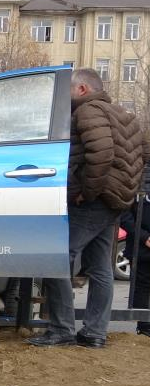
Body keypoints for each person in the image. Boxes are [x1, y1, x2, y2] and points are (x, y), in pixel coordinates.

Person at [28, 68, 147, 349]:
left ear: (82, 89)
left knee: (55, 258)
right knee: (100, 268)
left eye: (69, 89)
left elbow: (101, 153)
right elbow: (142, 156)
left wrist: (86, 192)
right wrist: (122, 193)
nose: (65, 96)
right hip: (114, 201)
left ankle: (61, 329)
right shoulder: (123, 114)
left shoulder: (88, 112)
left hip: (94, 200)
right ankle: (94, 333)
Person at [120, 193, 150, 337]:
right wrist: (144, 236)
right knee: (141, 286)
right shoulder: (137, 181)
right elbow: (124, 215)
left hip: (140, 244)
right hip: (140, 247)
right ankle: (145, 328)